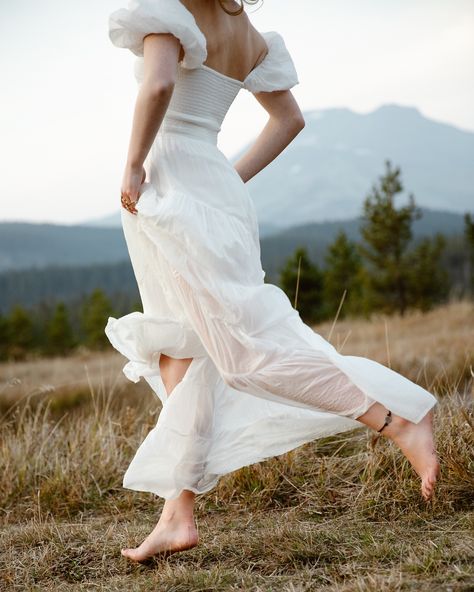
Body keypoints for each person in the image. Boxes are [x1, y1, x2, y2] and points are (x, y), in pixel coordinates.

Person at [105, 0, 440, 563]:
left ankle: (396, 419)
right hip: (205, 183)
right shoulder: (249, 33)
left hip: (168, 183)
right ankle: (176, 517)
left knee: (239, 353)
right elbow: (290, 120)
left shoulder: (168, 9)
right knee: (181, 348)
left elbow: (159, 86)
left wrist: (136, 163)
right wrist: (219, 180)